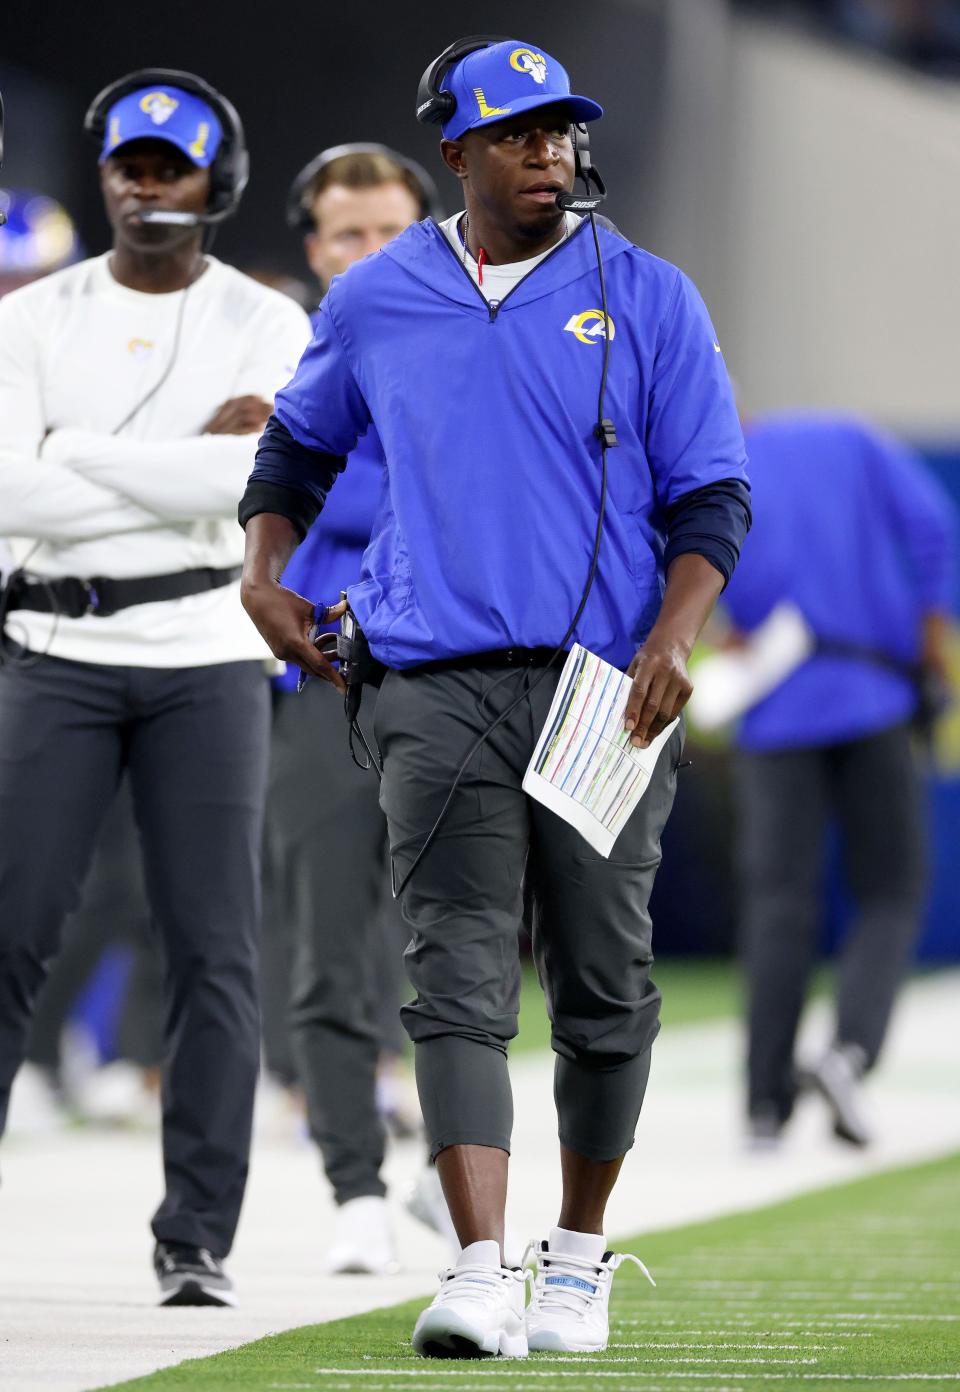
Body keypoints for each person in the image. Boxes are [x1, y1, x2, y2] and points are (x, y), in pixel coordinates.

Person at [239, 36, 750, 1360]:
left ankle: (573, 1257)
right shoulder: (378, 297)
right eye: (517, 134)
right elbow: (296, 446)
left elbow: (712, 495)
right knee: (455, 971)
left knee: (601, 981)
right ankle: (476, 1269)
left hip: (604, 690)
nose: (549, 154)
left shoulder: (648, 294)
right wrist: (264, 574)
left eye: (562, 131)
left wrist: (675, 635)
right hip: (432, 683)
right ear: (454, 153)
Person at [0, 69, 311, 1305]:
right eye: (131, 165)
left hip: (203, 654)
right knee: (10, 933)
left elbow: (261, 488)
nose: (147, 186)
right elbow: (7, 497)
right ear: (107, 175)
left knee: (213, 952)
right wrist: (193, 458)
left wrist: (78, 455)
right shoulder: (31, 319)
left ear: (216, 183)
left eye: (172, 167)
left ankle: (196, 1236)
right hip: (56, 650)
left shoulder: (268, 322)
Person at [264, 143, 445, 1274]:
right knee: (329, 943)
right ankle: (353, 1191)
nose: (370, 256)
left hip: (465, 681)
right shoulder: (281, 357)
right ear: (313, 248)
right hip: (323, 679)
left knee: (468, 946)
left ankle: (450, 1163)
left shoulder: (491, 346)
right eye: (347, 236)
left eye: (391, 233)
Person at [720, 411, 956, 1149]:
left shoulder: (720, 466)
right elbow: (935, 529)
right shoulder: (851, 441)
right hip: (871, 694)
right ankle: (848, 1051)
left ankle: (764, 1102)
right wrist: (933, 627)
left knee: (778, 901)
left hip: (771, 707)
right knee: (891, 886)